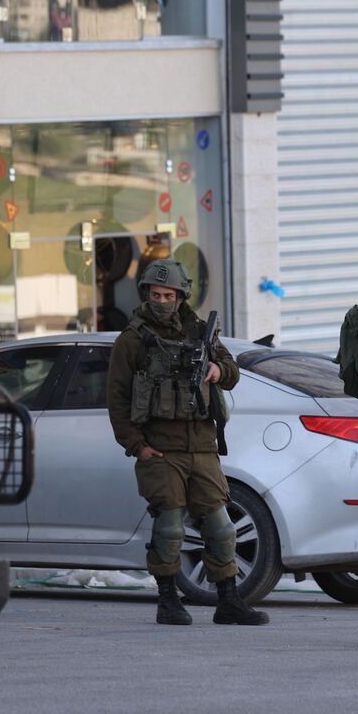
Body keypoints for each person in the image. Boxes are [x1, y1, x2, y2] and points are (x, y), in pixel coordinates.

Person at [107, 259, 268, 626]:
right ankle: (167, 600)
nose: (161, 300)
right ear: (146, 294)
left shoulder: (199, 331)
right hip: (161, 450)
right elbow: (117, 398)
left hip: (202, 446)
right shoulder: (133, 339)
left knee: (222, 527)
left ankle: (228, 600)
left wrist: (217, 369)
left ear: (181, 296)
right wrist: (136, 445)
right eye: (155, 294)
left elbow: (231, 370)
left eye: (168, 294)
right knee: (170, 527)